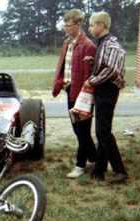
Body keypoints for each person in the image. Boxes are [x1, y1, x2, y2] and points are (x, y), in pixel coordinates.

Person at [84, 11, 128, 184]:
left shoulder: (111, 44)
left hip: (107, 90)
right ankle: (99, 170)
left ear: (101, 25)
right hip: (103, 89)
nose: (90, 27)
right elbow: (105, 64)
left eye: (92, 24)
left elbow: (111, 70)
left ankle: (120, 171)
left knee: (103, 131)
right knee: (102, 130)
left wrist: (92, 81)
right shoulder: (102, 43)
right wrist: (92, 61)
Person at [52, 9, 97, 178]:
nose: (65, 28)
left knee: (82, 129)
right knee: (77, 128)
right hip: (70, 91)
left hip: (83, 94)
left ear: (78, 24)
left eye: (68, 25)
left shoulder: (88, 46)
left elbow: (90, 74)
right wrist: (61, 82)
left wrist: (87, 95)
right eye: (64, 25)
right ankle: (95, 157)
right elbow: (64, 67)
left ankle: (80, 165)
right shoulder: (67, 43)